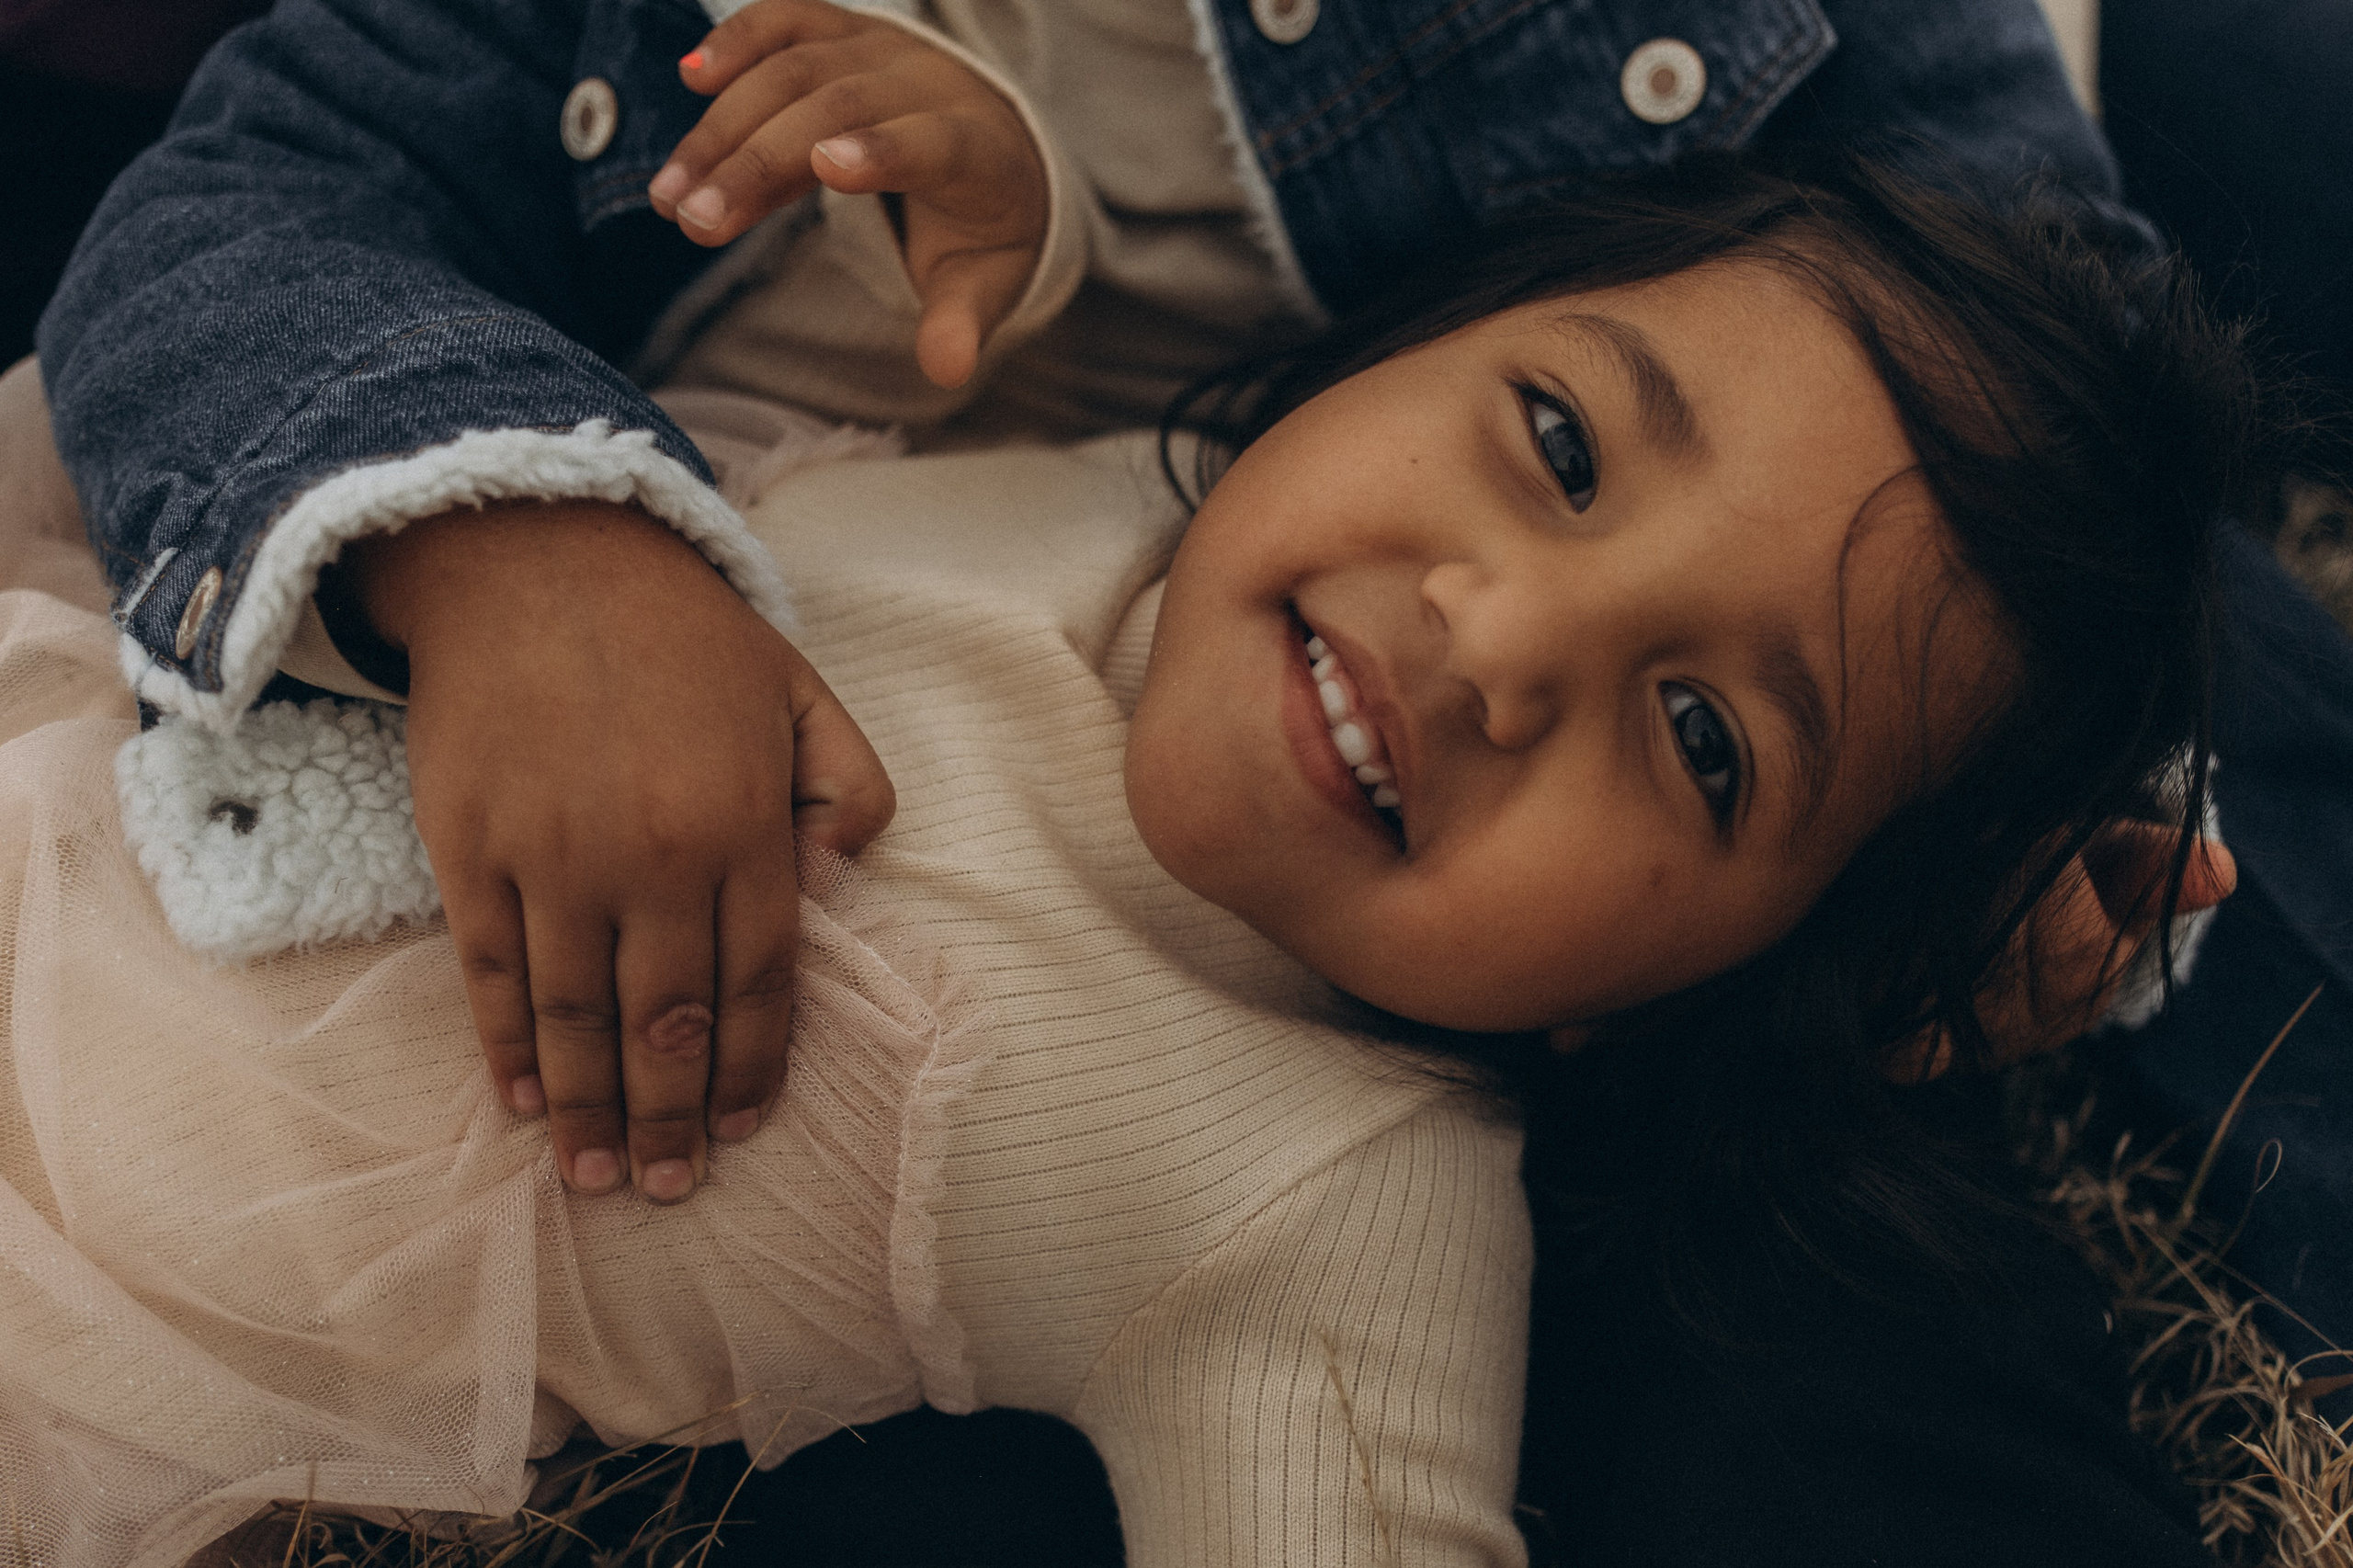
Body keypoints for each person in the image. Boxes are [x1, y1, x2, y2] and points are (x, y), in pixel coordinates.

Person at [0, 153, 2268, 1568]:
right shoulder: (1089, 476)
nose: (1499, 635)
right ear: (1402, 344)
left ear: (1699, 981)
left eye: (1699, 738)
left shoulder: (1325, 1217)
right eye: (1555, 439)